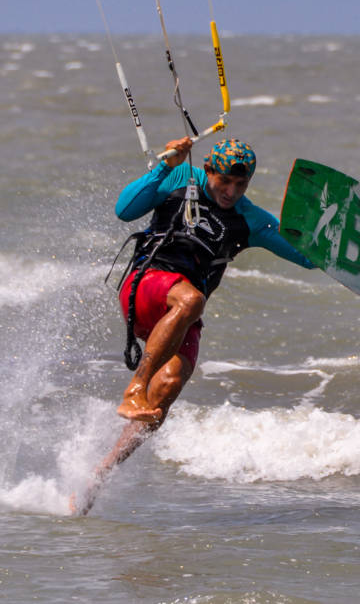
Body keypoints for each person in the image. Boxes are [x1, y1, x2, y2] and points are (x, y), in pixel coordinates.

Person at [71, 136, 314, 514]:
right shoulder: (180, 177)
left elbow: (307, 258)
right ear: (209, 171)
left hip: (181, 317)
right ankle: (135, 385)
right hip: (147, 287)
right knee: (192, 301)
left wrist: (326, 229)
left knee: (164, 396)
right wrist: (165, 166)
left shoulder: (250, 219)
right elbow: (124, 210)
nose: (231, 192)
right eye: (223, 182)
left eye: (240, 184)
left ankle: (97, 478)